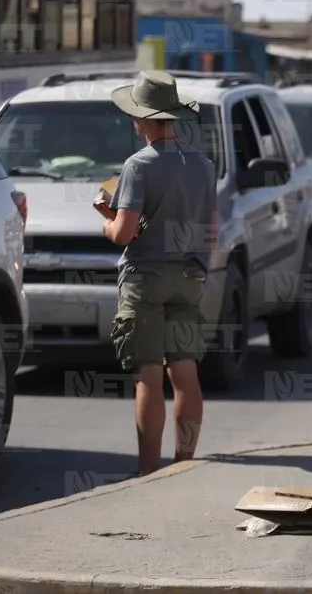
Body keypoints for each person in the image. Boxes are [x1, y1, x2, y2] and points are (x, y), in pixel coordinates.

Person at [95, 70, 217, 477]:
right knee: (185, 373)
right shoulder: (202, 164)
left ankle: (149, 472)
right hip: (189, 277)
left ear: (144, 120)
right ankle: (184, 464)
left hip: (145, 277)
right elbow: (209, 229)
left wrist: (106, 220)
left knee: (148, 375)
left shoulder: (138, 166)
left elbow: (125, 233)